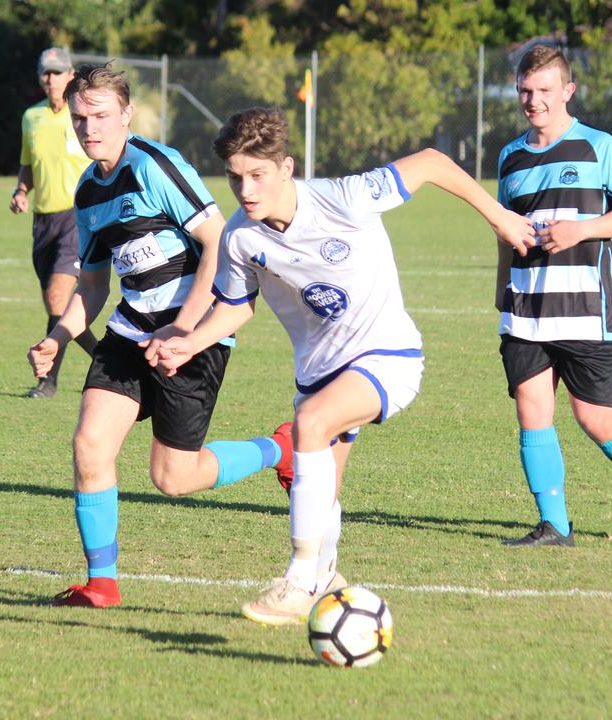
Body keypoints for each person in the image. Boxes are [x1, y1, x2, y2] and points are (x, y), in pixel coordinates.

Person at [146, 107, 535, 625]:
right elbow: (238, 306)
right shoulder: (241, 236)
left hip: (388, 359)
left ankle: (301, 577)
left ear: (286, 168)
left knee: (309, 426)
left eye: (258, 175)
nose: (246, 189)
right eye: (236, 177)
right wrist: (190, 342)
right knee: (323, 490)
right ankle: (325, 575)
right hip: (319, 376)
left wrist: (499, 216)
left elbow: (432, 162)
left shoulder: (343, 197)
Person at [27, 65, 292, 609]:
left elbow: (219, 241)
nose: (89, 128)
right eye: (80, 118)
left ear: (126, 114)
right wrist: (57, 335)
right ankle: (102, 583)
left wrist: (186, 325)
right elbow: (95, 285)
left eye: (101, 116)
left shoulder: (156, 166)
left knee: (174, 476)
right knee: (89, 445)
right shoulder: (87, 192)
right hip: (130, 330)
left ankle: (280, 449)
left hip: (193, 335)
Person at [493, 45, 612, 547]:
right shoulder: (510, 156)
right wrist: (500, 288)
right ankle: (555, 525)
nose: (534, 100)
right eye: (526, 91)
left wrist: (582, 230)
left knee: (592, 415)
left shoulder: (600, 147)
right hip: (526, 306)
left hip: (586, 309)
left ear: (567, 91)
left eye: (544, 90)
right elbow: (505, 229)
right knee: (531, 409)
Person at [10, 47, 99, 399]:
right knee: (58, 304)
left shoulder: (83, 116)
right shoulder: (31, 117)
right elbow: (27, 163)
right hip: (42, 222)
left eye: (57, 72)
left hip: (78, 218)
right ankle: (64, 375)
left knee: (57, 298)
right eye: (45, 73)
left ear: (71, 75)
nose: (50, 79)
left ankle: (86, 367)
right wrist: (20, 190)